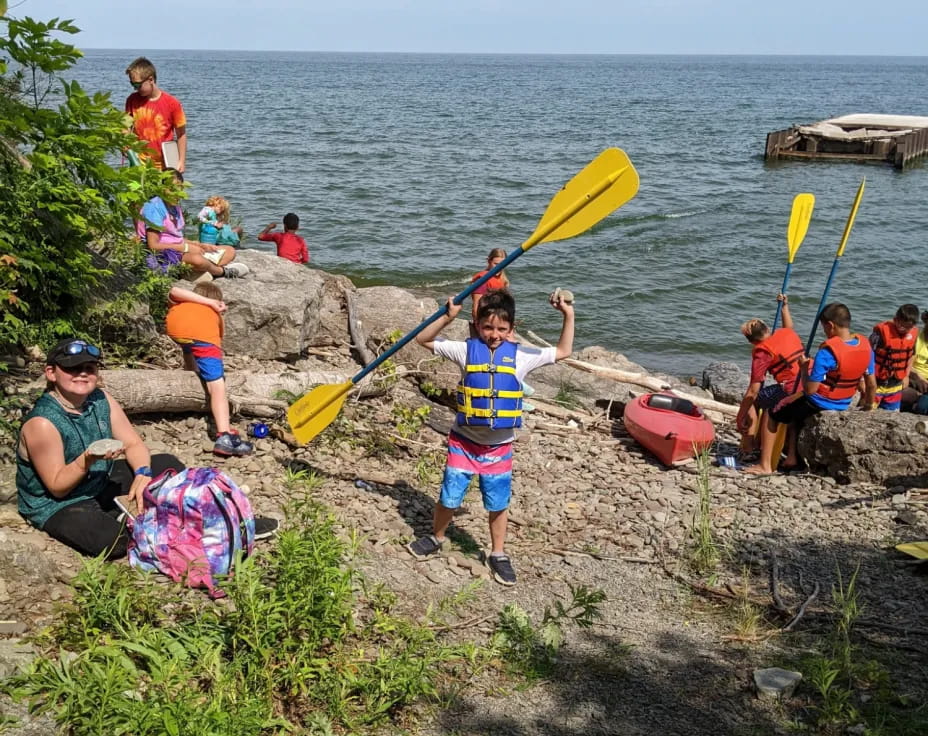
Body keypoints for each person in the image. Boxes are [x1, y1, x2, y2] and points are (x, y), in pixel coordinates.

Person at [406, 289, 574, 586]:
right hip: (463, 442)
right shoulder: (466, 350)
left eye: (501, 329)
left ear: (512, 329)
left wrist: (567, 315)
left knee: (497, 503)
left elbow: (563, 352)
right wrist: (446, 317)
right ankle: (436, 536)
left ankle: (498, 553)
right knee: (449, 495)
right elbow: (423, 339)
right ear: (478, 324)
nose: (494, 334)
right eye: (487, 327)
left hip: (498, 447)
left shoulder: (522, 356)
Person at [16, 339, 185, 558]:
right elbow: (57, 486)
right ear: (51, 373)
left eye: (89, 368)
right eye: (72, 368)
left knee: (169, 465)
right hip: (57, 502)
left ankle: (125, 509)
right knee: (113, 542)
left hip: (98, 479)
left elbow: (133, 443)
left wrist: (143, 473)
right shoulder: (43, 422)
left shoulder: (100, 399)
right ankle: (127, 513)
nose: (82, 374)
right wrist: (86, 460)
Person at [746, 302, 876, 475]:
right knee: (793, 410)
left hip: (821, 401)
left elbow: (810, 390)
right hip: (844, 401)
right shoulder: (865, 346)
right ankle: (792, 456)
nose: (824, 331)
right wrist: (867, 406)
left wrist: (804, 370)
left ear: (830, 325)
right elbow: (872, 384)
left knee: (773, 412)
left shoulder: (827, 352)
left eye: (824, 328)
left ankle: (765, 466)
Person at [165, 284, 254, 457]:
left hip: (175, 330)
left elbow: (173, 290)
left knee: (189, 347)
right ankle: (224, 435)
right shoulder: (213, 312)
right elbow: (215, 339)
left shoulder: (182, 302)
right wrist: (213, 305)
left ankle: (189, 372)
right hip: (203, 337)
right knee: (217, 385)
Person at [137, 169, 247, 281]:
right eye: (172, 189)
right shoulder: (154, 207)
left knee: (229, 250)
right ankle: (221, 271)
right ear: (161, 188)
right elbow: (153, 246)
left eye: (180, 188)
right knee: (197, 259)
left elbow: (175, 238)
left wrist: (198, 244)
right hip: (164, 254)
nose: (177, 192)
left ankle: (198, 270)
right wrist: (185, 248)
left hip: (178, 248)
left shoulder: (174, 206)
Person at [736, 294, 805, 457]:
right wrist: (784, 306)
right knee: (766, 395)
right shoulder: (787, 333)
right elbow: (788, 325)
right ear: (768, 329)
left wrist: (740, 416)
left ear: (750, 341)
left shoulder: (762, 352)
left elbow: (753, 391)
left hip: (791, 388)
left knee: (754, 401)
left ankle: (748, 447)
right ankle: (761, 442)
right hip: (810, 383)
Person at [124, 57, 187, 172]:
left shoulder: (172, 103)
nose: (135, 89)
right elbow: (126, 127)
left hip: (166, 164)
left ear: (151, 80)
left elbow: (181, 134)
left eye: (138, 85)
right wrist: (126, 146)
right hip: (139, 162)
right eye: (132, 84)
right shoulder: (132, 100)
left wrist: (181, 161)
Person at [869, 304, 918, 411]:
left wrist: (906, 375)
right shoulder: (880, 332)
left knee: (892, 414)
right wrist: (866, 380)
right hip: (877, 383)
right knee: (868, 411)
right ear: (895, 319)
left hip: (895, 385)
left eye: (907, 327)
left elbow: (911, 355)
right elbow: (868, 353)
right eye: (900, 324)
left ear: (913, 326)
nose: (902, 329)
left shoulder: (913, 335)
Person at [471, 248, 509, 323]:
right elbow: (476, 308)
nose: (499, 267)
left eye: (503, 264)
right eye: (496, 264)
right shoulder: (482, 280)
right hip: (485, 322)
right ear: (489, 261)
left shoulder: (503, 280)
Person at [902, 310, 928, 413]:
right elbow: (905, 363)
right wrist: (918, 376)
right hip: (914, 379)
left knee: (923, 406)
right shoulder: (915, 338)